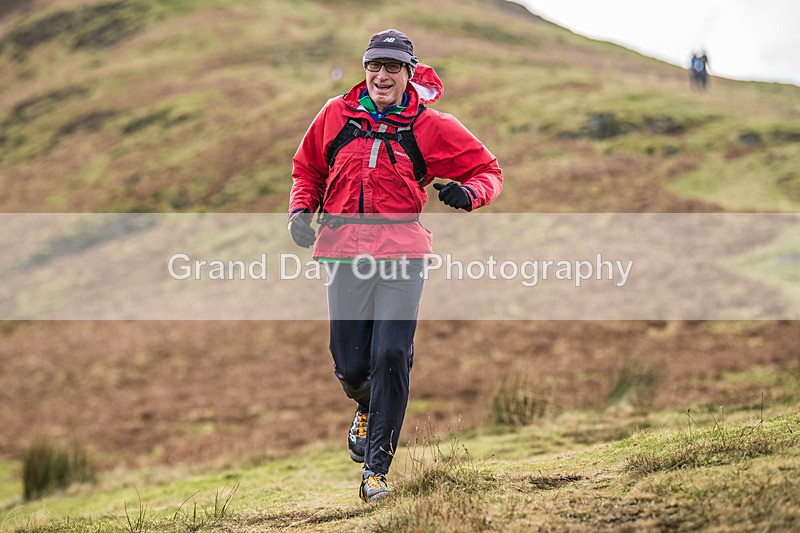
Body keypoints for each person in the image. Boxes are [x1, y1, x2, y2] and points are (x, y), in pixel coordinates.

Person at [287, 28, 503, 502]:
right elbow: (307, 170)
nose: (381, 75)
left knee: (390, 356)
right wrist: (300, 212)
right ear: (365, 69)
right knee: (350, 365)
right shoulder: (335, 114)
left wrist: (469, 193)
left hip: (402, 253)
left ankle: (376, 471)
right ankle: (366, 405)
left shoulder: (431, 125)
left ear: (409, 72)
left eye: (392, 67)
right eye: (374, 65)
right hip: (343, 251)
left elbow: (489, 171)